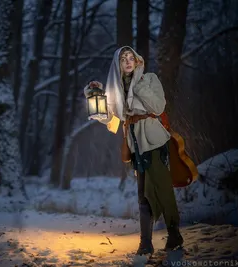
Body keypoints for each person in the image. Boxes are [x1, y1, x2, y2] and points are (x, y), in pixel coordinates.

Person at [84, 46, 184, 255]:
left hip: (155, 141)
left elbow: (158, 107)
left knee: (162, 189)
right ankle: (145, 242)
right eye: (123, 59)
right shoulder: (116, 89)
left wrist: (138, 86)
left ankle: (174, 234)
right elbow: (111, 121)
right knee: (142, 194)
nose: (128, 62)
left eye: (131, 58)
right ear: (118, 64)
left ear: (137, 61)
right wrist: (95, 96)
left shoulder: (149, 79)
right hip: (135, 144)